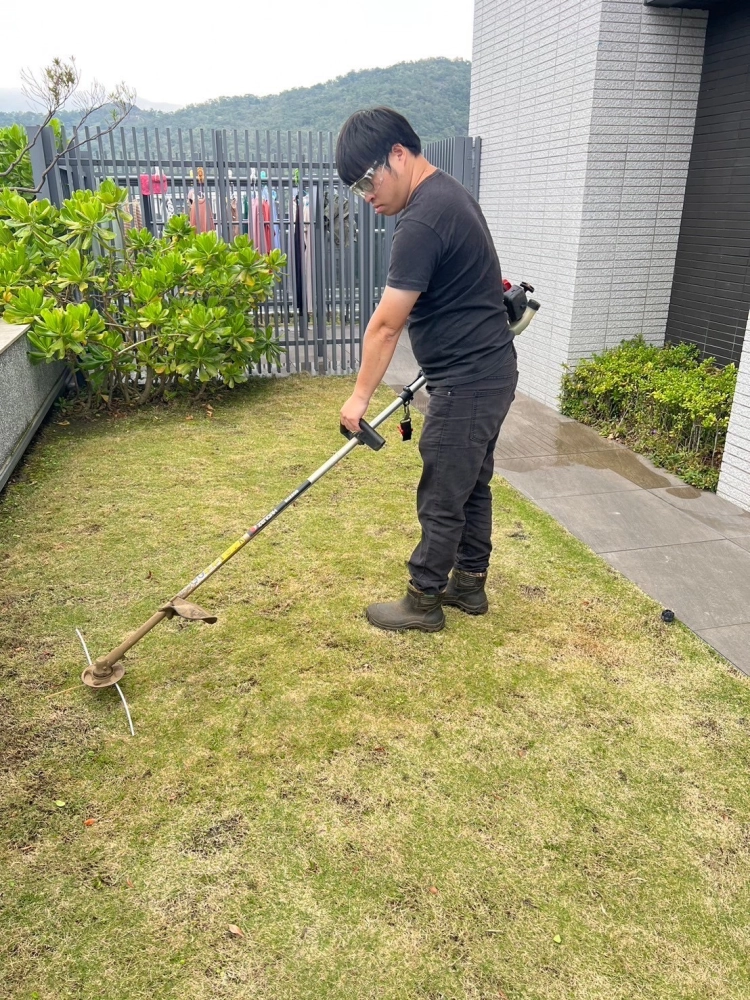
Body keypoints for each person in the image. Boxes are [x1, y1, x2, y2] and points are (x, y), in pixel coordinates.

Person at [337, 107, 518, 633]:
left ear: (398, 154)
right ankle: (470, 585)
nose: (367, 194)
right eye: (357, 188)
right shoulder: (448, 195)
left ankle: (423, 600)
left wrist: (358, 399)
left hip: (470, 379)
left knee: (442, 485)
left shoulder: (422, 218)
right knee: (470, 483)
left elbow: (386, 326)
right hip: (488, 370)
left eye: (368, 180)